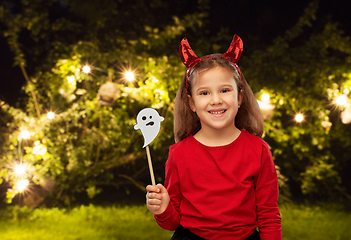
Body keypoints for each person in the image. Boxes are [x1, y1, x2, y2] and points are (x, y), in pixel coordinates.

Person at [146, 35, 282, 240]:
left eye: (225, 90)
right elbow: (173, 222)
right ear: (191, 103)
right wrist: (163, 209)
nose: (216, 100)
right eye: (204, 93)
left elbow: (269, 215)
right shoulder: (179, 153)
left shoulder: (258, 150)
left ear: (239, 98)